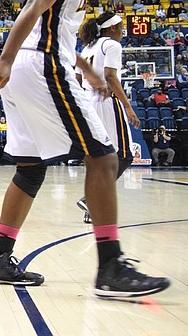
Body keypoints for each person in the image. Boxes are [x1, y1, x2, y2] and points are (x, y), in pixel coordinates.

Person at [0, 0, 169, 297]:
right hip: (38, 67)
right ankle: (110, 267)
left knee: (30, 168)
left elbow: (53, 23)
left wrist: (86, 66)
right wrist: (5, 59)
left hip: (33, 66)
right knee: (104, 156)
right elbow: (33, 7)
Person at [76, 12, 141, 224]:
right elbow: (111, 76)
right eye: (121, 27)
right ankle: (90, 199)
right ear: (112, 28)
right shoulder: (111, 45)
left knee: (99, 158)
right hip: (106, 101)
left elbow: (77, 78)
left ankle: (91, 210)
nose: (123, 32)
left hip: (87, 102)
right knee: (124, 155)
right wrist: (128, 106)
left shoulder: (86, 48)